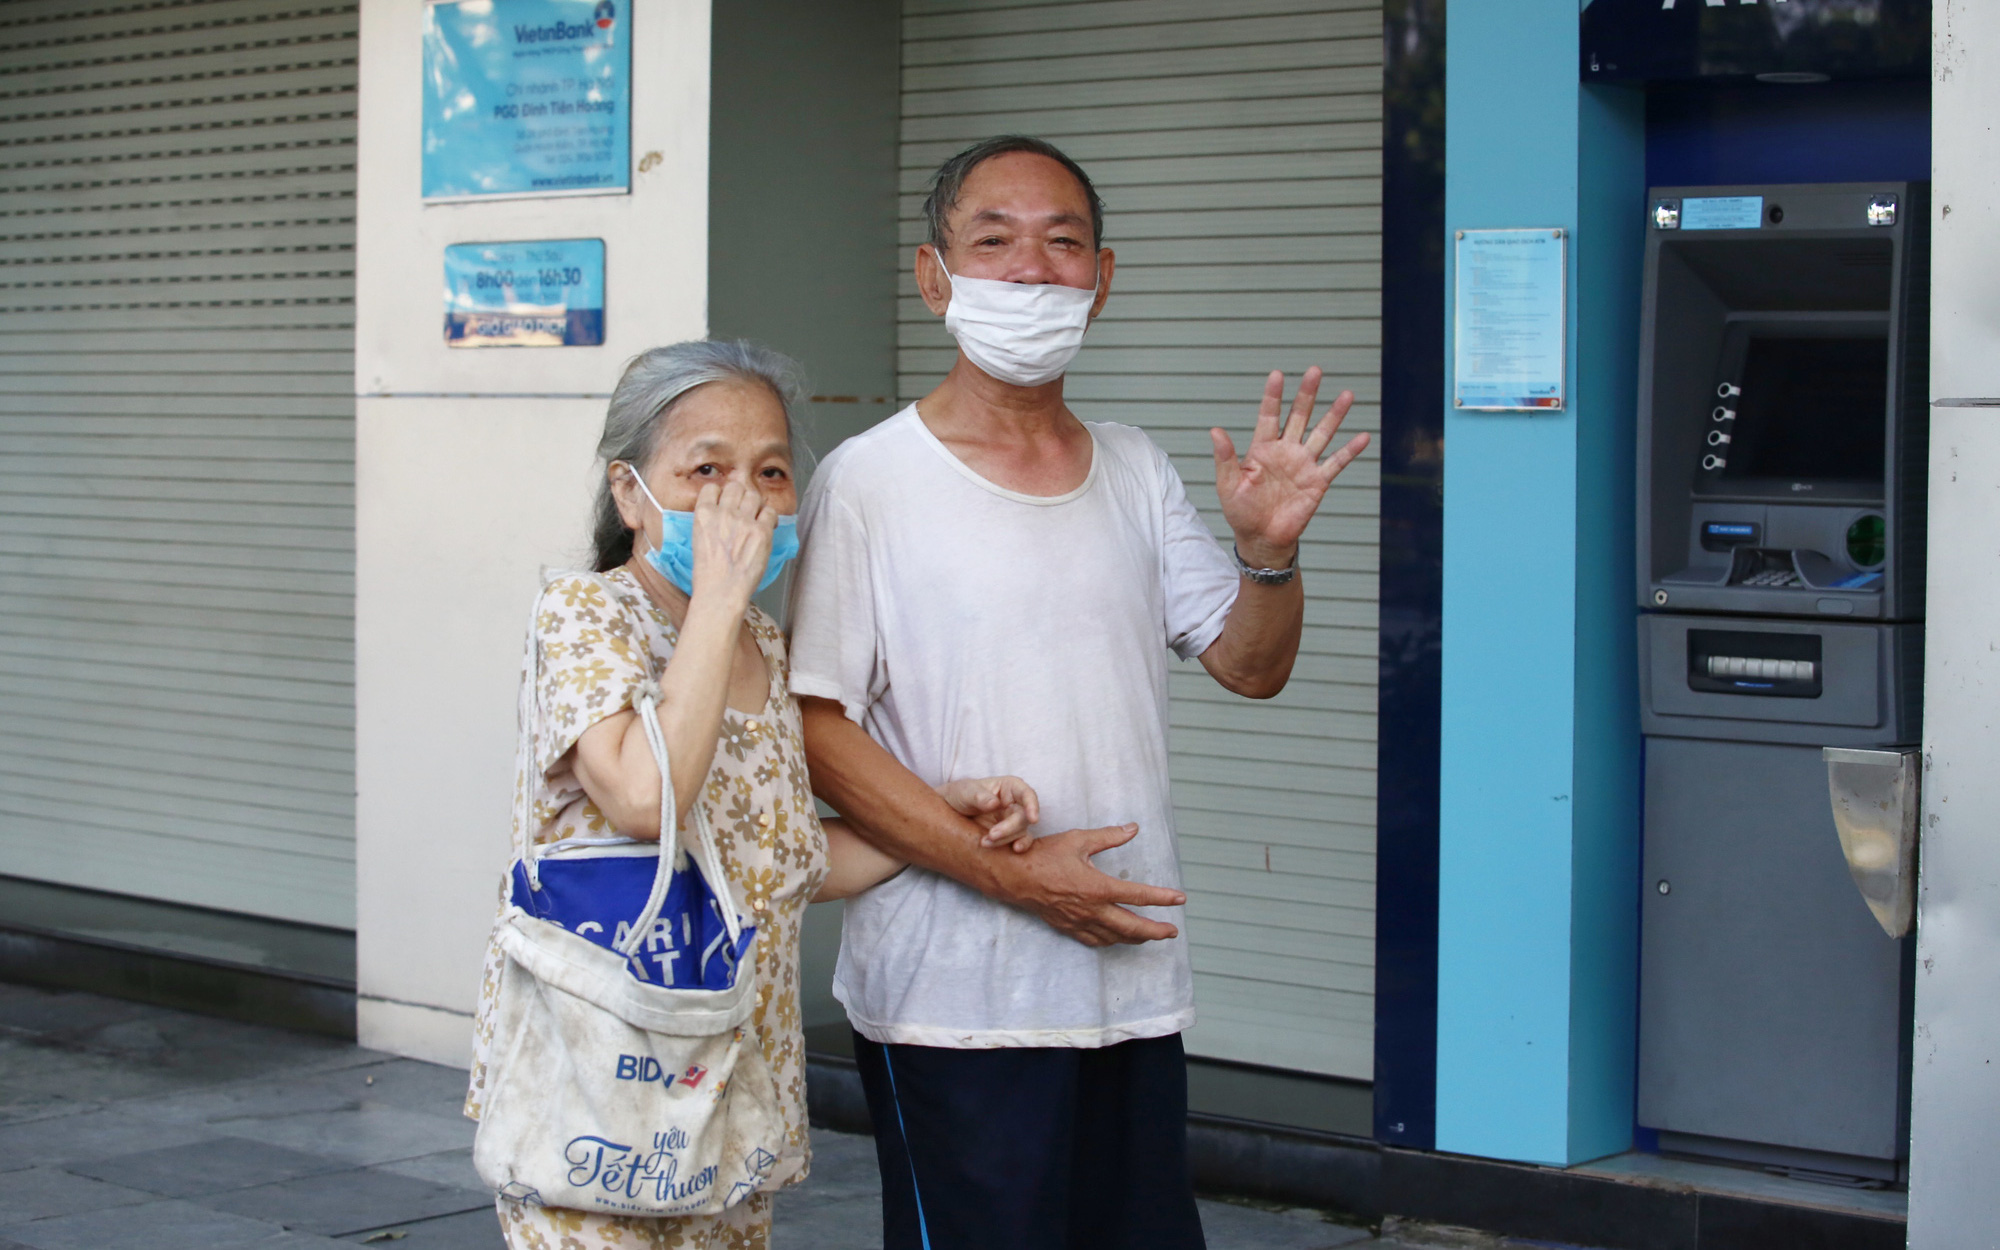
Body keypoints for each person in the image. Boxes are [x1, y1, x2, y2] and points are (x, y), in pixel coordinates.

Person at [788, 137, 1371, 1250]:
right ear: (933, 275)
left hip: (1129, 978)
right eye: (992, 241)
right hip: (954, 1002)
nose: (1030, 271)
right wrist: (1013, 876)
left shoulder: (1135, 466)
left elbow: (1250, 664)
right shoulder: (867, 480)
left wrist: (1268, 555)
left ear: (1102, 279)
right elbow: (816, 731)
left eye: (1062, 244)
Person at [463, 340, 1040, 1250]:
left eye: (770, 471)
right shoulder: (583, 615)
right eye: (706, 470)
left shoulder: (764, 649)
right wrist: (722, 598)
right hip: (596, 1099)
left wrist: (934, 816)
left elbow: (787, 862)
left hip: (727, 1098)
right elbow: (646, 801)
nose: (745, 499)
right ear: (629, 494)